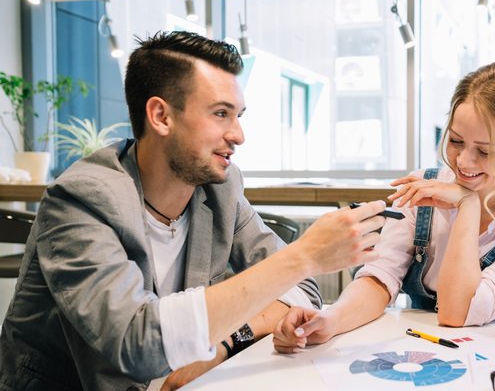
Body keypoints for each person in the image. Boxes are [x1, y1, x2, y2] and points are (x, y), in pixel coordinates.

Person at [0, 31, 388, 390]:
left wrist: (223, 343)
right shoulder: (81, 201)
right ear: (161, 116)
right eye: (221, 114)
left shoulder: (221, 188)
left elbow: (302, 292)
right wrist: (304, 256)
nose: (238, 135)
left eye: (238, 115)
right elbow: (137, 346)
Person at [272, 61, 495, 353]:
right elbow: (380, 277)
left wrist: (467, 206)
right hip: (422, 351)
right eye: (456, 141)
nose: (463, 162)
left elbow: (457, 312)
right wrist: (333, 319)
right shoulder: (422, 187)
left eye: (484, 151)